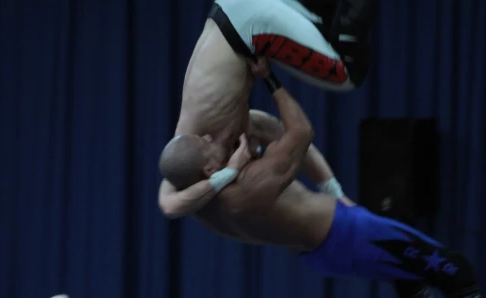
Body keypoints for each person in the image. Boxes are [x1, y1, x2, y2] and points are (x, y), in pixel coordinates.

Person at [158, 58, 486, 298]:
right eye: (204, 144)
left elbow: (170, 200)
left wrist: (237, 164)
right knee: (455, 271)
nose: (208, 136)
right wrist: (269, 78)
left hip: (321, 252)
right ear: (209, 170)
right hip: (347, 232)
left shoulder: (193, 198)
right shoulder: (247, 188)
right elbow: (301, 132)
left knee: (408, 274)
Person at [159, 0, 378, 196]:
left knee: (349, 72)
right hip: (231, 12)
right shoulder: (204, 138)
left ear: (210, 171)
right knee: (325, 24)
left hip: (247, 24)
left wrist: (228, 173)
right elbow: (285, 134)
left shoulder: (200, 137)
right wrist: (334, 191)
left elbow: (170, 204)